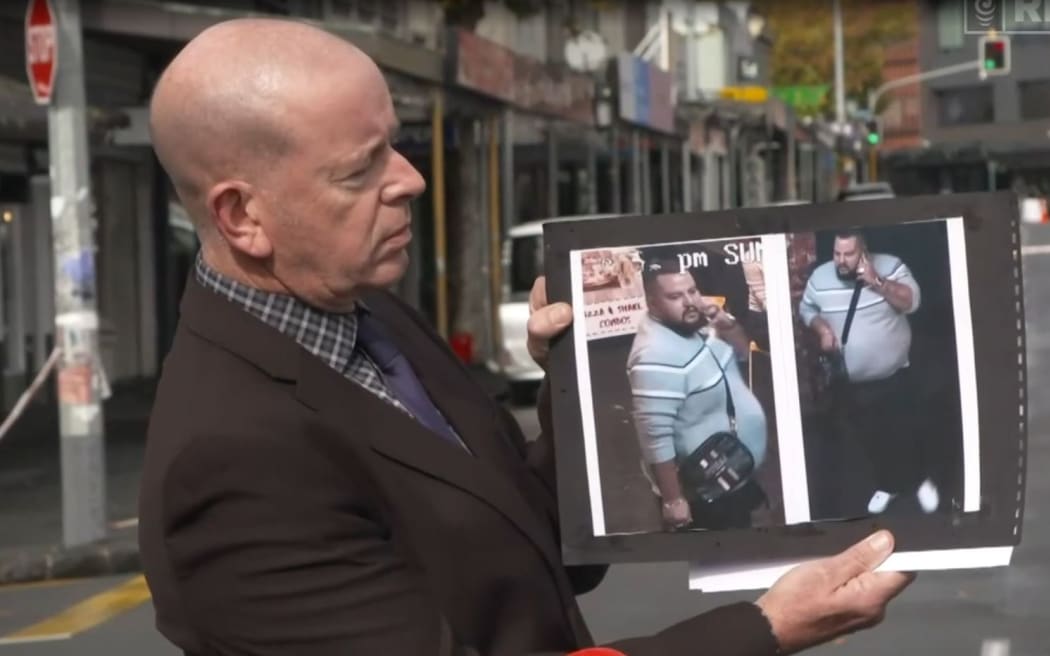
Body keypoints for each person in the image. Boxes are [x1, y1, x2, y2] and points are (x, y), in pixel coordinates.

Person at [138, 17, 914, 656]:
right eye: (360, 169)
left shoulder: (368, 315)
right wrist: (765, 628)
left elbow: (531, 542)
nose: (409, 178)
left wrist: (566, 383)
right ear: (243, 216)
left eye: (396, 142)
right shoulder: (229, 462)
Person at [799, 230, 938, 516]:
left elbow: (911, 302)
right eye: (837, 254)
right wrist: (821, 328)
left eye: (848, 254)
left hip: (894, 375)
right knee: (872, 437)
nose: (841, 261)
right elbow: (806, 308)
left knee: (906, 432)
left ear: (864, 252)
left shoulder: (891, 266)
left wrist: (876, 281)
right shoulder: (821, 278)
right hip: (851, 382)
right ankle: (888, 485)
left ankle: (918, 481)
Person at [627, 255, 769, 531]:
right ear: (653, 303)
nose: (690, 301)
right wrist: (673, 501)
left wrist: (724, 323)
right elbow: (654, 437)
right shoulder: (654, 355)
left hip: (735, 471)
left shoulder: (697, 325)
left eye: (692, 291)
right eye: (675, 296)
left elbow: (743, 353)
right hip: (707, 492)